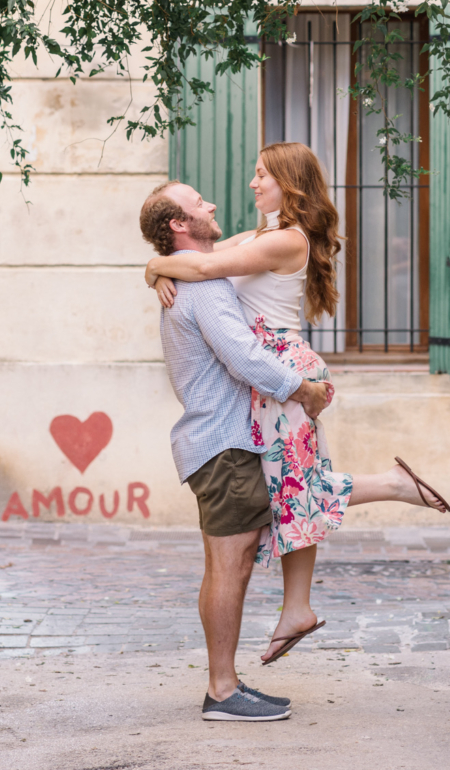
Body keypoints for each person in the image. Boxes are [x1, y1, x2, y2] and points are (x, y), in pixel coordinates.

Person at [143, 142, 450, 667]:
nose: (252, 183)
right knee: (294, 487)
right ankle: (301, 603)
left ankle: (310, 593)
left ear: (288, 184)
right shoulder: (262, 235)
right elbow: (199, 259)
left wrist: (155, 266)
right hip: (274, 373)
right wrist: (164, 268)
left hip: (281, 371)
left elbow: (198, 269)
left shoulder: (284, 240)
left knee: (295, 486)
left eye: (261, 175)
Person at [139, 179, 335, 723]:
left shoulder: (196, 275)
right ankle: (222, 692)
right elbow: (244, 357)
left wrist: (153, 267)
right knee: (230, 567)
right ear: (180, 224)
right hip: (224, 444)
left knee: (227, 566)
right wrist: (305, 390)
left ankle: (224, 686)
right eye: (198, 203)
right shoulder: (204, 286)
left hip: (215, 442)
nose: (212, 205)